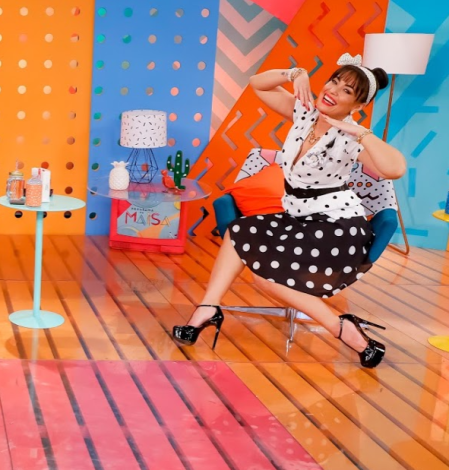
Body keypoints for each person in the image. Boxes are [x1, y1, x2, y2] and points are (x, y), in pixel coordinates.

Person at [172, 53, 406, 368]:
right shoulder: (305, 113)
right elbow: (258, 84)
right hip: (301, 220)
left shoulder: (350, 138)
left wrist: (362, 132)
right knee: (240, 230)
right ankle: (208, 307)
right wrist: (295, 73)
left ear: (358, 105)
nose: (333, 91)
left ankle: (342, 328)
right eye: (335, 81)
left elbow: (395, 168)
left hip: (338, 228)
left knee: (264, 278)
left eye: (347, 91)